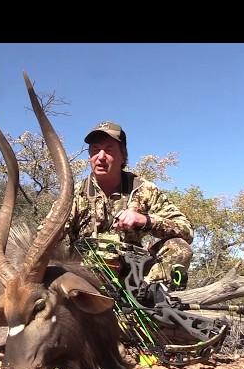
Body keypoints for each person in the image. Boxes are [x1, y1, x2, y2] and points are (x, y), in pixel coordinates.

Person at [64, 121, 194, 287]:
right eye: (95, 150)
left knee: (179, 248)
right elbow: (47, 234)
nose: (101, 156)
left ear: (123, 155)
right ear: (90, 157)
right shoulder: (73, 194)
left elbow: (186, 230)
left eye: (109, 149)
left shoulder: (145, 189)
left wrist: (145, 220)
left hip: (134, 275)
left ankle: (149, 295)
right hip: (84, 277)